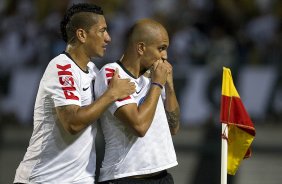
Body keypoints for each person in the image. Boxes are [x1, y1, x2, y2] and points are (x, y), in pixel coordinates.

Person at [13, 3, 135, 184]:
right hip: (45, 178)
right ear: (82, 35)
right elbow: (72, 123)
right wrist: (111, 94)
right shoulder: (61, 67)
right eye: (102, 31)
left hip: (80, 178)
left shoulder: (93, 70)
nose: (108, 38)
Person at [95, 19, 180, 184]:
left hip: (162, 176)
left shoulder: (154, 75)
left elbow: (173, 127)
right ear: (141, 48)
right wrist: (157, 84)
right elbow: (139, 127)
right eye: (161, 48)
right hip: (126, 177)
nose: (165, 56)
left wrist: (169, 87)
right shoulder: (112, 73)